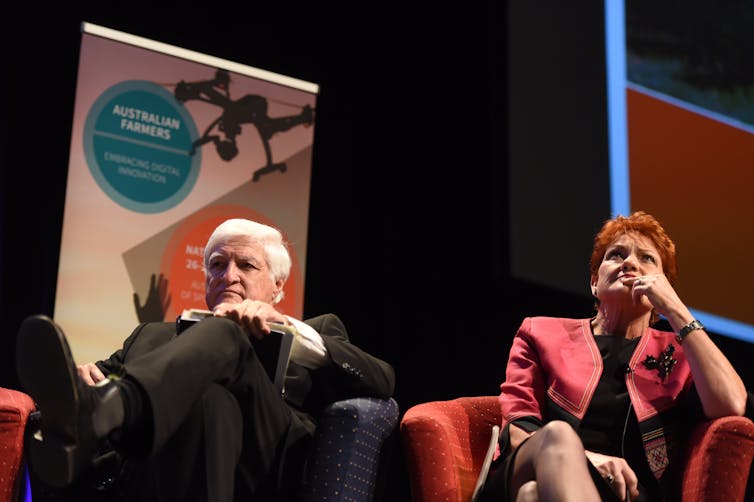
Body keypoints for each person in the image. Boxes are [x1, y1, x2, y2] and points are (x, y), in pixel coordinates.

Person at [16, 218, 395, 501]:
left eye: (246, 265)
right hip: (156, 469)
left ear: (278, 285)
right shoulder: (152, 335)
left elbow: (383, 380)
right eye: (217, 264)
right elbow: (91, 378)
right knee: (208, 398)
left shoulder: (318, 329)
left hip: (263, 466)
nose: (228, 276)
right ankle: (106, 406)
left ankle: (111, 408)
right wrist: (86, 379)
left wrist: (294, 334)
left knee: (227, 330)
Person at [477, 211, 747, 502]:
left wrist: (677, 310)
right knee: (556, 438)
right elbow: (518, 429)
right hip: (529, 467)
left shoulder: (684, 353)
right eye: (616, 255)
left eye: (647, 259)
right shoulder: (540, 332)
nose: (630, 262)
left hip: (625, 494)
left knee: (532, 497)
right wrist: (584, 459)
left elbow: (731, 404)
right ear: (595, 281)